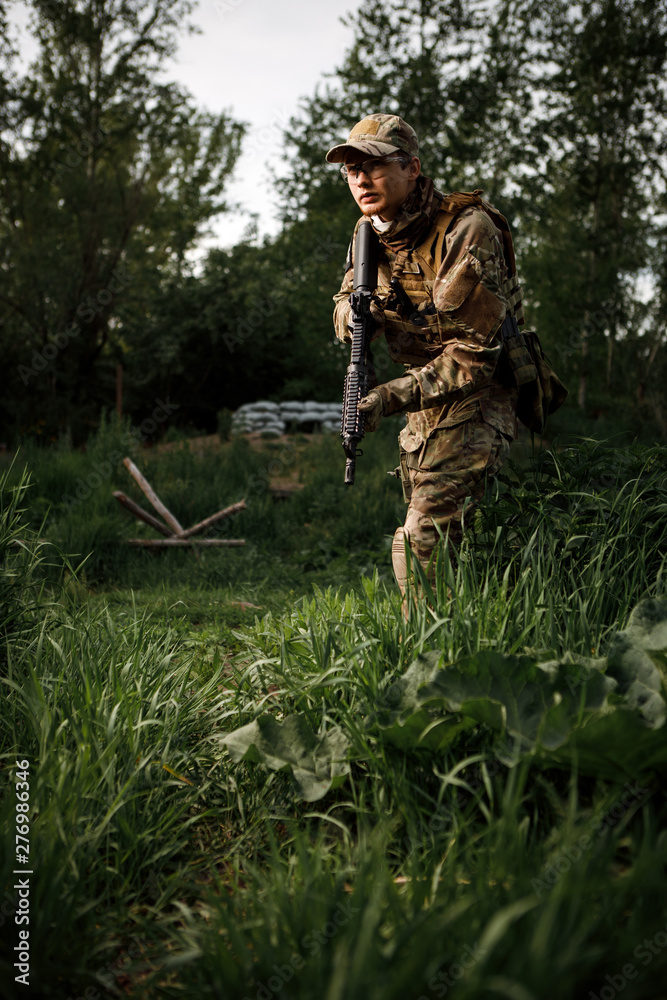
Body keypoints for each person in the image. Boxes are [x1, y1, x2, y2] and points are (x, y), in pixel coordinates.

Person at [326, 113, 524, 602]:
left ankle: (431, 657)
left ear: (412, 168)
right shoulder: (368, 232)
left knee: (423, 537)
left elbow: (475, 355)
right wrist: (357, 316)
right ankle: (477, 627)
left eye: (373, 166)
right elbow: (343, 301)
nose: (360, 180)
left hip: (478, 396)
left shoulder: (467, 230)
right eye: (351, 170)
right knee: (448, 539)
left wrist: (386, 398)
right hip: (424, 401)